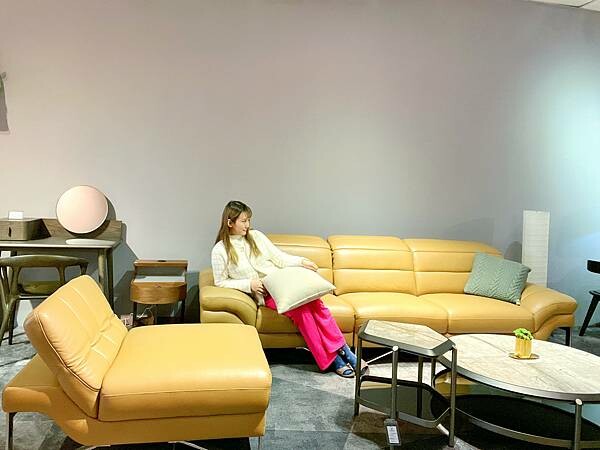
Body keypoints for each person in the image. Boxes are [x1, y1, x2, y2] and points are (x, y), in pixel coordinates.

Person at [211, 200, 364, 378]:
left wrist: (301, 261)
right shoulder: (220, 250)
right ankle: (333, 360)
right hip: (267, 294)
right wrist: (248, 284)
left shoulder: (256, 236)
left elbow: (279, 258)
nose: (248, 225)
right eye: (243, 221)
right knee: (302, 312)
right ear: (230, 222)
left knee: (316, 303)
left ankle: (346, 352)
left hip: (284, 283)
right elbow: (220, 282)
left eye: (249, 220)